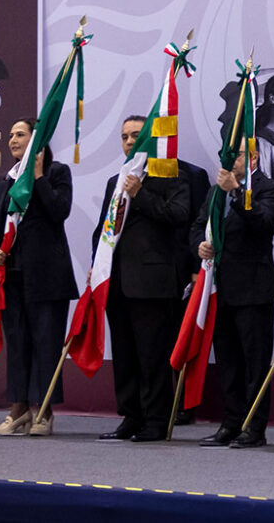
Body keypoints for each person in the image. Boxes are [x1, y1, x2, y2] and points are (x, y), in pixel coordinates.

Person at [92, 115, 190, 443]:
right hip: (117, 282)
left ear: (149, 139)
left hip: (152, 284)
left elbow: (179, 215)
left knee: (152, 356)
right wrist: (97, 262)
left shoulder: (170, 175)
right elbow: (104, 228)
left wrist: (142, 193)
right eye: (125, 137)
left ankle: (156, 420)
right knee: (125, 355)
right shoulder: (115, 180)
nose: (130, 142)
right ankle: (131, 416)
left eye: (136, 135)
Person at [0, 118, 78, 436]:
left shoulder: (56, 172)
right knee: (18, 344)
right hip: (12, 275)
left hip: (48, 277)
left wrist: (38, 177)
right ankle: (18, 411)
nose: (12, 139)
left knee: (45, 344)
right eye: (10, 134)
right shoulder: (5, 180)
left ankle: (44, 412)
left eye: (20, 134)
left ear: (36, 140)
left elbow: (59, 210)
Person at [192, 138, 274, 448]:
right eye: (228, 155)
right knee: (229, 361)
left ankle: (254, 426)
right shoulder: (215, 191)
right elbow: (198, 225)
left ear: (255, 157)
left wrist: (235, 190)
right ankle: (230, 423)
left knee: (254, 362)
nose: (232, 160)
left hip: (255, 287)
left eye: (239, 155)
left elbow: (263, 222)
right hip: (222, 287)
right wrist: (199, 245)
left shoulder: (269, 187)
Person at [171, 157, 210, 426]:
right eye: (125, 137)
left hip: (185, 272)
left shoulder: (192, 174)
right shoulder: (125, 176)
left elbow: (200, 224)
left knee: (183, 336)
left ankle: (184, 403)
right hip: (146, 274)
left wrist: (197, 267)